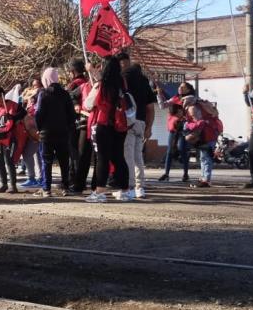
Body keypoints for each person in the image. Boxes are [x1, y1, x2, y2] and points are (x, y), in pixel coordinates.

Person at [84, 58, 131, 202]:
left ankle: (100, 192)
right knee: (119, 158)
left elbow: (88, 104)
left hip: (103, 124)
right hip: (120, 125)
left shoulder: (101, 85)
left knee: (102, 158)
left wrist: (92, 73)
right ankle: (124, 191)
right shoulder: (122, 84)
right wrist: (92, 71)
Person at [117, 52, 156, 199]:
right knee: (138, 156)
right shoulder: (144, 80)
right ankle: (140, 187)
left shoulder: (123, 80)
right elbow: (151, 108)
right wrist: (149, 127)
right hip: (141, 122)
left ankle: (130, 187)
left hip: (127, 122)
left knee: (128, 156)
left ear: (122, 63)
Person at [35, 67, 76, 197]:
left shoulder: (43, 94)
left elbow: (39, 113)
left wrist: (39, 128)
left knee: (46, 161)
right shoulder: (65, 94)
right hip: (63, 133)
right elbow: (72, 114)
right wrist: (68, 127)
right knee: (64, 161)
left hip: (46, 134)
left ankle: (46, 188)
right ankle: (65, 187)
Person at [0, 86, 27, 194]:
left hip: (10, 137)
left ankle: (13, 186)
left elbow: (24, 113)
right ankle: (4, 184)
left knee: (9, 161)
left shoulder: (12, 105)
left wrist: (13, 117)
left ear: (2, 96)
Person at [156, 82, 196, 182]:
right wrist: (159, 94)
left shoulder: (191, 98)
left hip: (184, 128)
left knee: (182, 149)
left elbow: (191, 99)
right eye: (179, 86)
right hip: (174, 128)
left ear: (188, 89)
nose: (180, 88)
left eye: (183, 87)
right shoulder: (175, 98)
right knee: (169, 151)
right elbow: (162, 106)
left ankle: (185, 174)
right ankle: (166, 174)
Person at [66, 59, 92, 194]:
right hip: (87, 121)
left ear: (73, 71)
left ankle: (75, 181)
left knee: (76, 154)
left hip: (78, 122)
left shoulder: (76, 84)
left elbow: (68, 99)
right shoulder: (88, 83)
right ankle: (78, 181)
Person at [19, 82, 43, 188]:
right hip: (31, 130)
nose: (34, 87)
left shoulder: (41, 97)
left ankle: (33, 178)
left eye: (36, 85)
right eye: (33, 85)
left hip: (36, 130)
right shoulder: (30, 102)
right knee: (36, 154)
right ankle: (39, 177)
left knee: (28, 154)